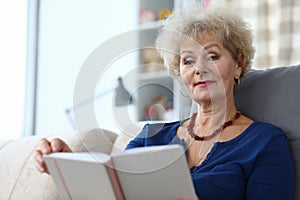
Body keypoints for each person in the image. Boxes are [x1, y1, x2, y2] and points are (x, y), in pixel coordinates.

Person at [34, 6, 294, 200]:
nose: (199, 69)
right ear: (179, 71)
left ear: (238, 64)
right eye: (188, 60)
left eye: (212, 56)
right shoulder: (151, 136)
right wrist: (68, 162)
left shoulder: (265, 142)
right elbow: (112, 186)